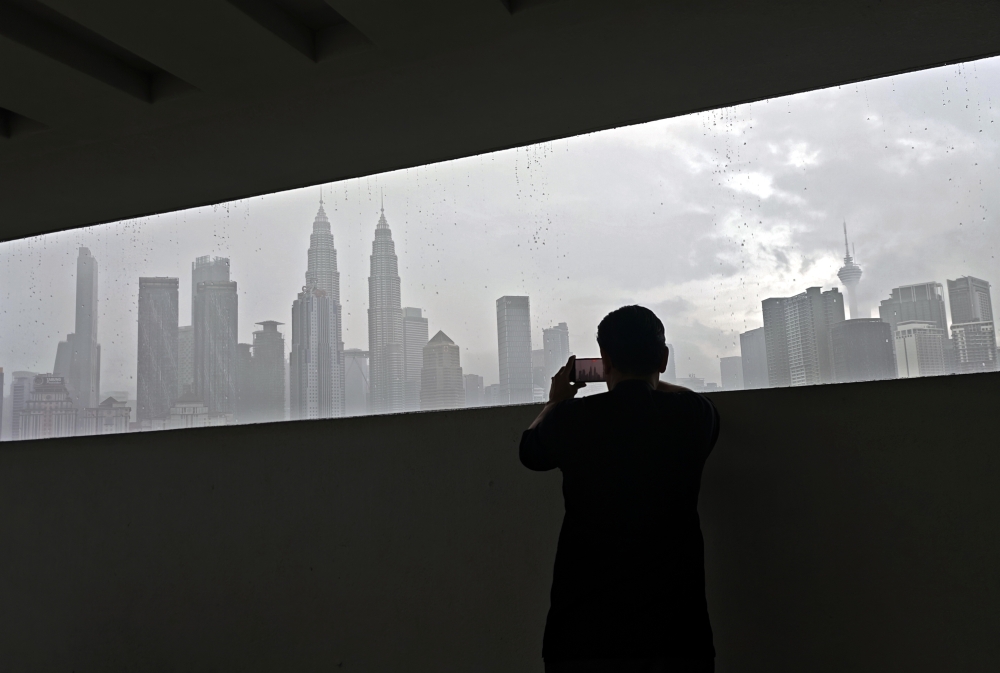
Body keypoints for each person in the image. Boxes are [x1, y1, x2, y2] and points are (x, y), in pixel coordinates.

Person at [519, 305, 720, 673]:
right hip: (678, 631)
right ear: (663, 358)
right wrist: (649, 381)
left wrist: (555, 401)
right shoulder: (694, 415)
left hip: (583, 631)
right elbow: (695, 400)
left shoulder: (572, 419)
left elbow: (529, 451)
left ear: (605, 360)